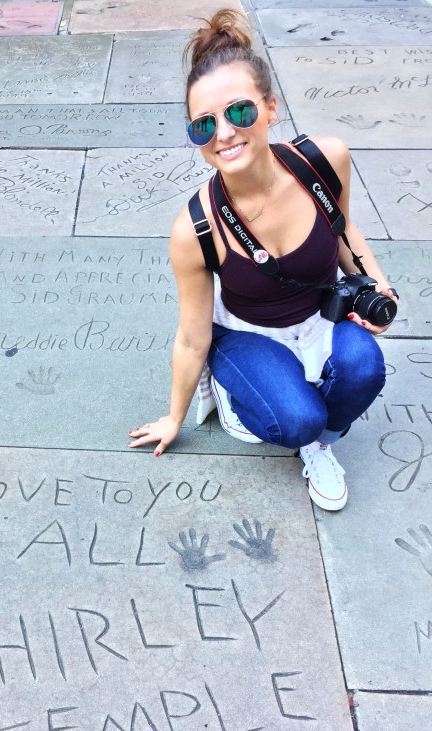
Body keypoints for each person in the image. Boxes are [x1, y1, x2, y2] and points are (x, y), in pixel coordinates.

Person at [127, 8, 395, 511]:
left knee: (365, 369)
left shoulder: (324, 159)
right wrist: (174, 417)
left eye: (240, 112)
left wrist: (377, 286)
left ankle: (320, 445)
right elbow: (191, 336)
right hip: (247, 335)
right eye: (203, 125)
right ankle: (246, 398)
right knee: (293, 419)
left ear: (270, 108)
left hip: (320, 319)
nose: (224, 133)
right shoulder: (196, 228)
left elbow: (343, 230)